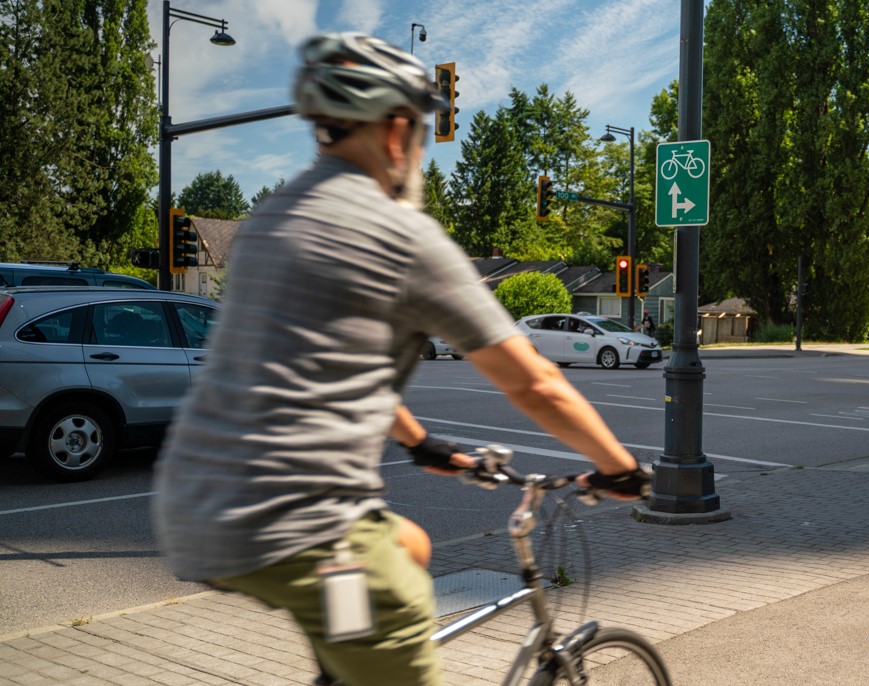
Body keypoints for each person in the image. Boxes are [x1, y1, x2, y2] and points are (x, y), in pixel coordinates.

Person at [152, 33, 649, 686]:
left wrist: (422, 445)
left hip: (189, 503)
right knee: (401, 606)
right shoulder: (401, 235)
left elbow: (325, 367)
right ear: (393, 130)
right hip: (299, 523)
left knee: (409, 546)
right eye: (417, 129)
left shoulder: (269, 221)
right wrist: (621, 468)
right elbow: (534, 384)